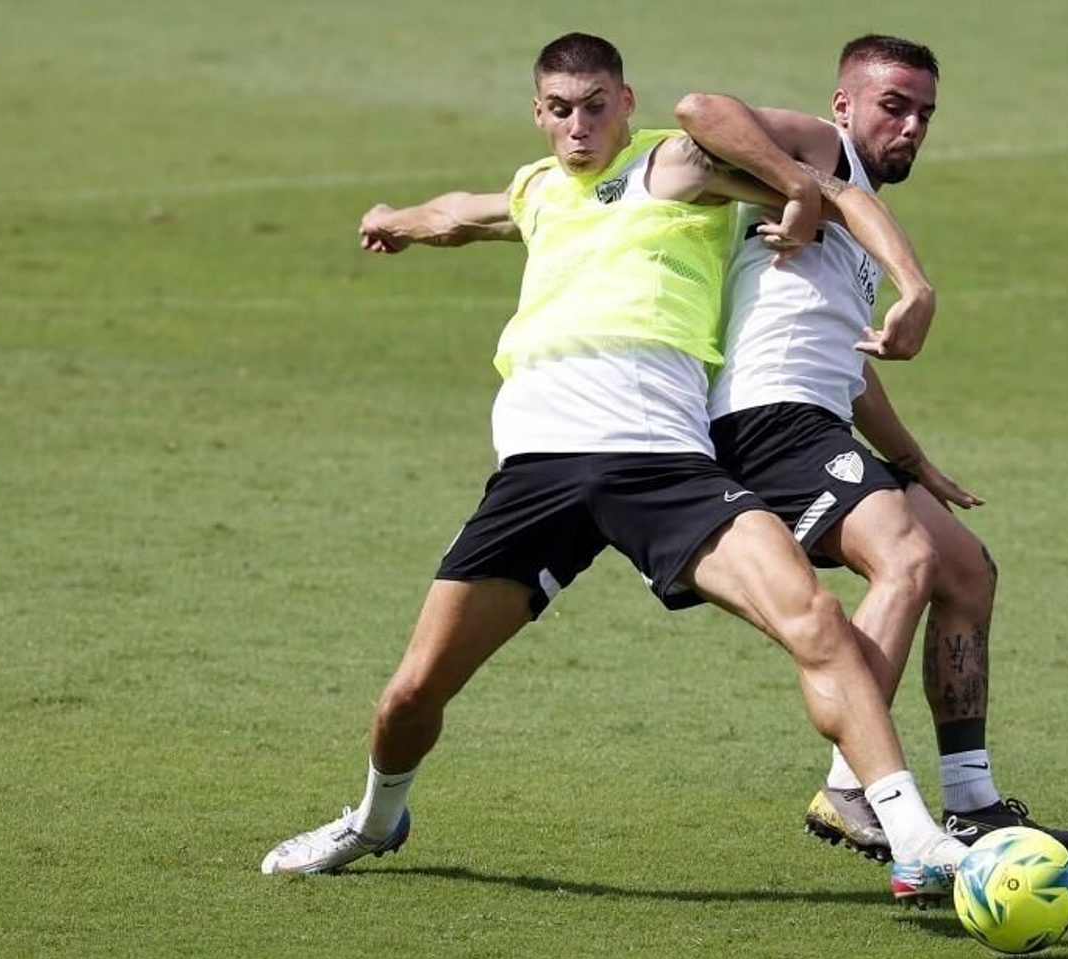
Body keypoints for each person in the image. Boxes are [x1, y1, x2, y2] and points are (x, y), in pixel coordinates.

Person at [259, 32, 969, 904]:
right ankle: (374, 820)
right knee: (409, 697)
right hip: (538, 472)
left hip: (662, 463)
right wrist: (392, 222)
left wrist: (904, 279)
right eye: (560, 109)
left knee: (815, 619)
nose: (579, 125)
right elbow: (461, 214)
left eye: (597, 105)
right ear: (538, 113)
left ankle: (916, 838)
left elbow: (839, 194)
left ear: (625, 103)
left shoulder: (674, 166)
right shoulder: (537, 190)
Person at [674, 35, 1068, 862]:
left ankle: (972, 802)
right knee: (903, 559)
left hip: (817, 417)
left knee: (966, 567)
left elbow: (851, 374)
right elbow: (699, 111)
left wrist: (914, 461)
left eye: (925, 115)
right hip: (766, 420)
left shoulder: (852, 208)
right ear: (844, 105)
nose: (910, 128)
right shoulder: (825, 155)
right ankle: (849, 784)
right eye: (893, 106)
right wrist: (801, 183)